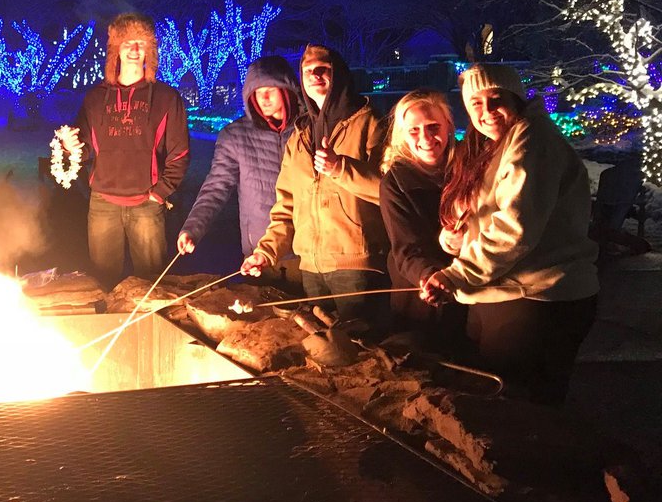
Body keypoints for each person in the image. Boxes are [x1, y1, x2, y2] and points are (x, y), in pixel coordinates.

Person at [421, 65, 599, 404]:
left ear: (515, 97)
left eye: (495, 99)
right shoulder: (494, 145)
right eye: (475, 104)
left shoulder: (532, 140)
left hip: (540, 299)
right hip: (505, 292)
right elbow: (484, 211)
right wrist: (457, 238)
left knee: (523, 409)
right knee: (503, 402)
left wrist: (457, 274)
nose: (486, 112)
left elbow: (514, 228)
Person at [241, 43, 389, 328]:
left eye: (324, 69)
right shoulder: (300, 136)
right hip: (311, 268)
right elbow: (286, 206)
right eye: (308, 71)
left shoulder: (370, 124)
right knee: (324, 350)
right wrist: (265, 251)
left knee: (360, 351)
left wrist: (341, 168)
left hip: (355, 265)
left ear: (340, 75)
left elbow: (389, 193)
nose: (315, 76)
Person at [56, 12, 190, 287]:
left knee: (152, 284)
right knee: (103, 282)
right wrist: (69, 147)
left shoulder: (166, 98)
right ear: (115, 49)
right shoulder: (95, 98)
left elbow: (180, 152)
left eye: (141, 42)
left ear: (149, 51)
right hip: (103, 204)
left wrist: (160, 192)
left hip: (147, 205)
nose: (133, 49)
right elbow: (85, 150)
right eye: (126, 42)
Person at [177, 55, 300, 260]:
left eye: (270, 90)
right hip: (259, 249)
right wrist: (192, 228)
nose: (264, 98)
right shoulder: (235, 136)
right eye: (257, 92)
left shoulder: (307, 130)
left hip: (307, 250)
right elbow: (216, 186)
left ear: (287, 90)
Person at [378, 89, 467, 352]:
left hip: (469, 284)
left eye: (433, 127)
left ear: (449, 125)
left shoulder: (469, 165)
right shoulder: (395, 181)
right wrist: (428, 275)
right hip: (419, 291)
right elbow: (405, 247)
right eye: (414, 130)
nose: (426, 138)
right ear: (403, 135)